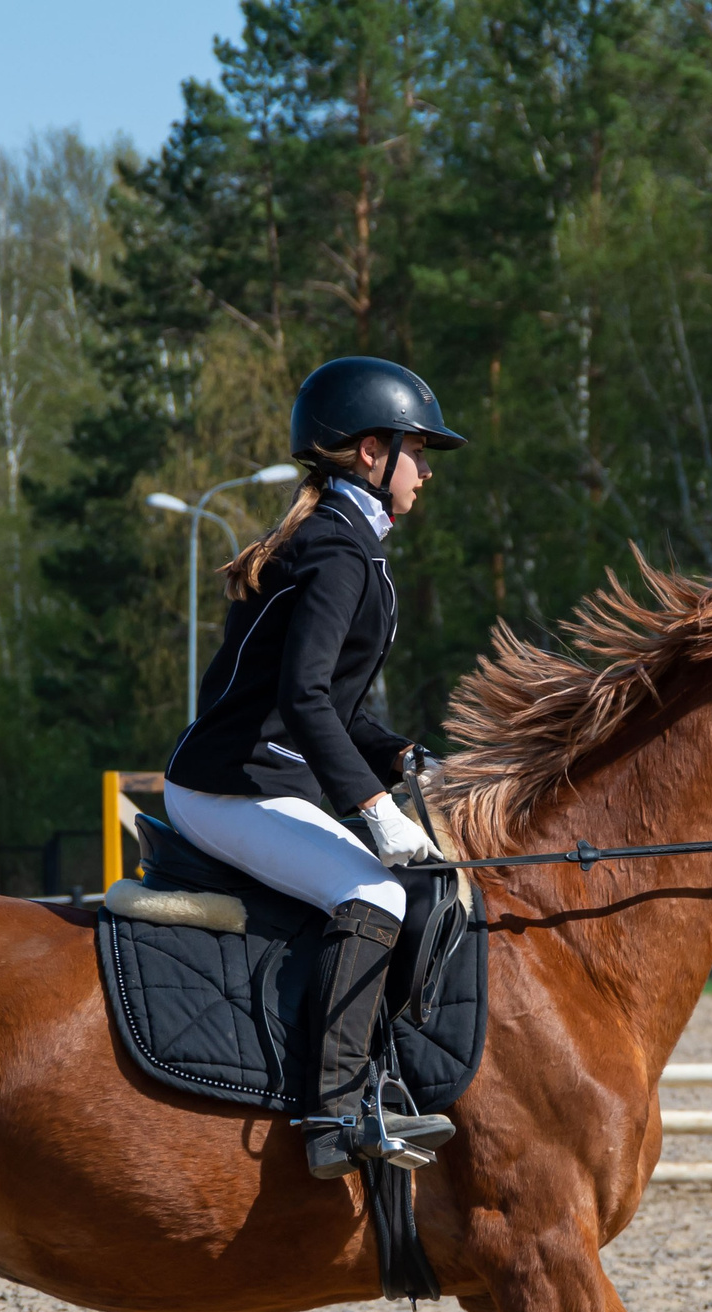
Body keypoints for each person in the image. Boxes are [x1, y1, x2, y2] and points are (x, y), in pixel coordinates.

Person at [164, 356, 467, 1181]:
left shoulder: (345, 542)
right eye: (418, 451)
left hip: (263, 775)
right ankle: (334, 1115)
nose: (427, 470)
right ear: (372, 453)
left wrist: (400, 756)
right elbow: (301, 698)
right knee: (374, 892)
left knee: (396, 881)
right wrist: (372, 806)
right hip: (230, 784)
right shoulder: (338, 551)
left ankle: (373, 1075)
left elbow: (329, 701)